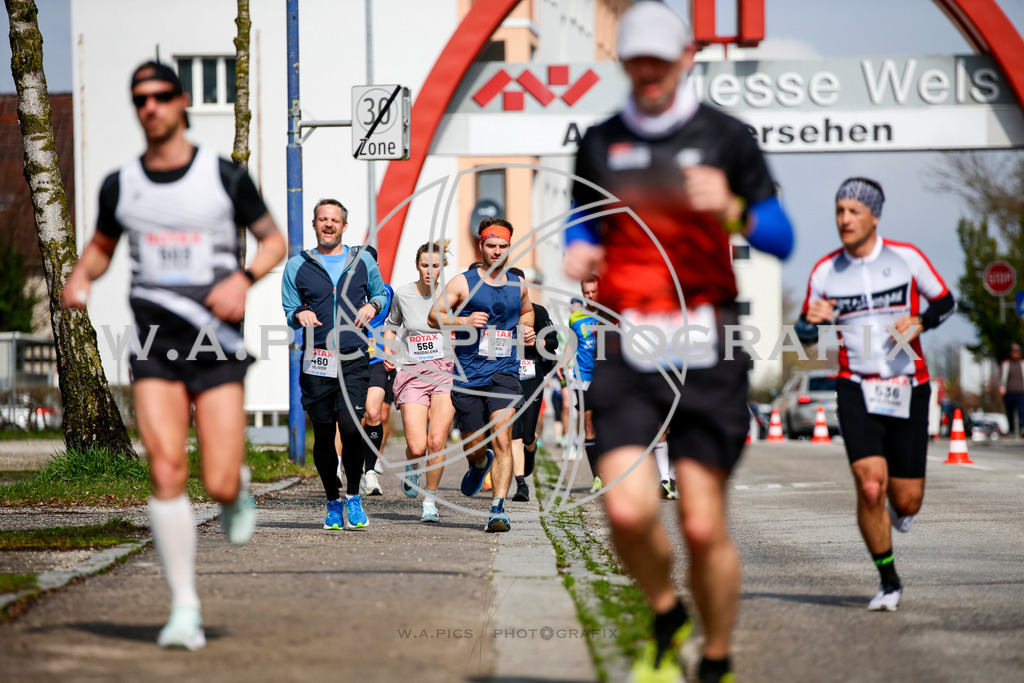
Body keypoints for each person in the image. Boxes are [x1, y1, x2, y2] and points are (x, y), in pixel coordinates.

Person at [563, 4, 794, 681]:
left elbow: (780, 237)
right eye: (637, 63)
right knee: (625, 509)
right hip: (627, 341)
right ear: (625, 64)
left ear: (686, 58)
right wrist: (580, 251)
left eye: (660, 63)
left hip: (705, 344)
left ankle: (715, 659)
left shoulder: (727, 139)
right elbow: (583, 221)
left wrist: (733, 207)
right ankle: (668, 613)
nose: (649, 75)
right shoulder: (602, 142)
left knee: (699, 524)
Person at [61, 61, 286, 650]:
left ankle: (234, 485)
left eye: (161, 95)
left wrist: (243, 277)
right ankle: (184, 607)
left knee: (215, 477)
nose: (151, 106)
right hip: (155, 344)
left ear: (181, 101)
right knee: (165, 469)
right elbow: (101, 249)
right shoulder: (121, 184)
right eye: (141, 98)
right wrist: (81, 276)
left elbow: (275, 242)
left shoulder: (223, 176)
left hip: (215, 341)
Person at [797, 177, 955, 613]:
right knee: (869, 487)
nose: (844, 219)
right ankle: (888, 581)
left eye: (853, 211)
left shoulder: (906, 259)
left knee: (906, 500)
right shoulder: (825, 271)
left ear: (874, 216)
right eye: (839, 211)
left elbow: (946, 301)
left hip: (909, 386)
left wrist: (921, 321)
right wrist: (811, 323)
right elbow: (804, 334)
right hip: (856, 386)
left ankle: (900, 509)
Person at [281, 199, 388, 531]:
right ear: (314, 225)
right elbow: (289, 307)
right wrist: (300, 314)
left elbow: (382, 293)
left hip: (354, 359)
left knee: (353, 427)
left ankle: (353, 496)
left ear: (344, 226)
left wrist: (373, 305)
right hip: (316, 361)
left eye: (335, 220)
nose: (329, 224)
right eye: (323, 219)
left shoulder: (362, 259)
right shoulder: (297, 265)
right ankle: (332, 501)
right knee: (324, 435)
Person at [429, 217, 534, 533]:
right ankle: (477, 462)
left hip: (504, 372)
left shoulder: (518, 284)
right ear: (481, 246)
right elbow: (434, 316)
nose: (497, 251)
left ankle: (498, 509)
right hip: (469, 376)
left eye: (503, 246)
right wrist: (463, 322)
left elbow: (528, 311)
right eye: (491, 245)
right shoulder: (463, 282)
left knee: (503, 437)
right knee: (475, 444)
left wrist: (525, 328)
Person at [382, 240, 457, 522]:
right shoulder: (402, 294)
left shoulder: (453, 295)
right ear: (417, 265)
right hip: (412, 372)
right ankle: (412, 464)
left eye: (435, 266)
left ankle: (430, 501)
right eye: (425, 265)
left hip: (446, 371)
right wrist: (388, 349)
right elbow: (391, 327)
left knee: (437, 441)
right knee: (417, 446)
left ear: (442, 267)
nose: (430, 271)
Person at [507, 267, 559, 503]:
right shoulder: (501, 313)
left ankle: (532, 449)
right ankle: (521, 484)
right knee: (513, 433)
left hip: (531, 375)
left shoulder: (538, 311)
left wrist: (538, 339)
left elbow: (554, 340)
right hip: (507, 375)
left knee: (527, 434)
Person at [359, 246, 395, 496]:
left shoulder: (387, 292)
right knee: (348, 420)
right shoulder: (343, 290)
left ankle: (370, 471)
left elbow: (396, 322)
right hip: (348, 361)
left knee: (374, 413)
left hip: (376, 362)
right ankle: (348, 469)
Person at [998, 343, 1024, 436]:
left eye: (1017, 352)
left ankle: (1022, 429)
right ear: (1011, 353)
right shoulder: (1006, 364)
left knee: (1022, 411)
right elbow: (1001, 377)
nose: (1015, 354)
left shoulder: (1022, 364)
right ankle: (1012, 429)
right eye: (1014, 352)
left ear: (1020, 354)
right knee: (1010, 412)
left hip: (1021, 392)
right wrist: (1001, 386)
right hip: (1009, 392)